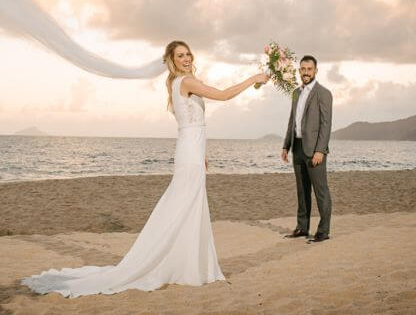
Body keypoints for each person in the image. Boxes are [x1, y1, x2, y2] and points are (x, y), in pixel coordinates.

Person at [21, 40, 269, 297]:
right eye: (180, 56)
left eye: (188, 54)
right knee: (181, 205)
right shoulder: (185, 82)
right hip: (189, 152)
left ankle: (185, 264)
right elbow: (224, 95)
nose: (186, 59)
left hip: (190, 150)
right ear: (172, 61)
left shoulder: (178, 83)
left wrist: (202, 153)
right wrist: (254, 77)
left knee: (188, 205)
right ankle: (172, 262)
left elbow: (191, 124)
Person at [281, 55, 333, 244]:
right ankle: (302, 228)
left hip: (314, 150)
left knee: (321, 191)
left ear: (315, 71)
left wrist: (321, 150)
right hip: (298, 147)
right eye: (303, 69)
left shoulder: (324, 93)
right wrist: (286, 145)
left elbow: (326, 125)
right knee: (302, 191)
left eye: (309, 69)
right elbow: (292, 121)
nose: (305, 72)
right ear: (299, 71)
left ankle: (323, 231)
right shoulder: (296, 93)